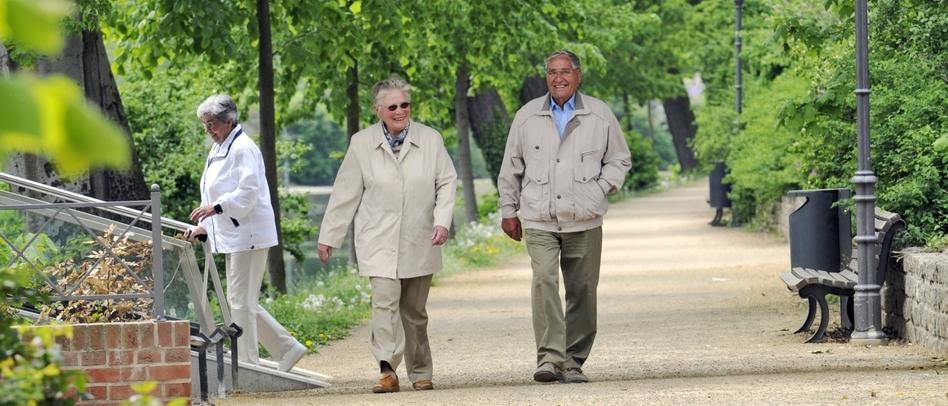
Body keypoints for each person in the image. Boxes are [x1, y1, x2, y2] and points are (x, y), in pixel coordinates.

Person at [497, 50, 632, 384]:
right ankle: (549, 358)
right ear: (546, 77)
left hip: (584, 217)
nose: (558, 78)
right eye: (552, 72)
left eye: (565, 72)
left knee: (583, 289)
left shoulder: (599, 114)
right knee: (543, 280)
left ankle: (573, 360)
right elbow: (511, 168)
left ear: (578, 75)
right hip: (539, 218)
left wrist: (600, 189)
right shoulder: (527, 116)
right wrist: (507, 210)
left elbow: (620, 159)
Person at [317, 77, 457, 393]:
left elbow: (447, 182)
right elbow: (345, 192)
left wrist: (442, 220)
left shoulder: (430, 139)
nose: (399, 111)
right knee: (384, 305)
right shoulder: (361, 143)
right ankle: (387, 369)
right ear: (378, 110)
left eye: (404, 105)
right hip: (377, 239)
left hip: (421, 237)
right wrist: (330, 236)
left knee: (414, 312)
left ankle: (421, 370)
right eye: (392, 106)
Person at [185, 94, 306, 372]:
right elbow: (214, 195)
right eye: (205, 124)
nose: (208, 130)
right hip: (233, 235)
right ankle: (286, 348)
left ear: (229, 121)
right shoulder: (219, 147)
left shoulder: (243, 148)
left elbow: (247, 192)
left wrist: (215, 208)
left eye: (212, 123)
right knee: (241, 300)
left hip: (249, 235)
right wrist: (204, 226)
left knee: (239, 301)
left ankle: (248, 363)